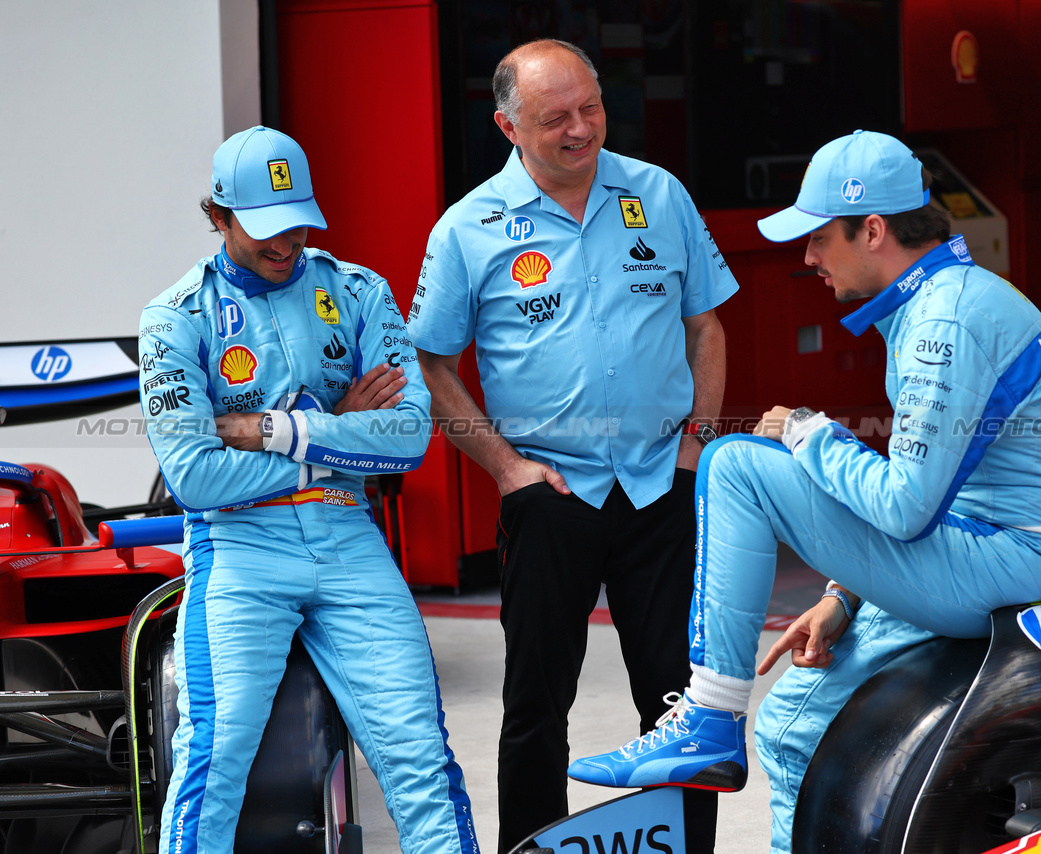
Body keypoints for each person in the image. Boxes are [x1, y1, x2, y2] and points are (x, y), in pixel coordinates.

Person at [567, 130, 1041, 854]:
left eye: (818, 238)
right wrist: (843, 596)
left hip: (1004, 564)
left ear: (872, 230)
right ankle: (728, 730)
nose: (808, 257)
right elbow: (935, 490)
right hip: (980, 548)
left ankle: (711, 716)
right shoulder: (936, 302)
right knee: (789, 730)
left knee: (734, 465)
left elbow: (907, 506)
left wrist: (812, 435)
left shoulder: (946, 319)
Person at [408, 39, 738, 853]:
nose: (581, 128)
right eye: (556, 117)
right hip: (549, 498)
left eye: (590, 107)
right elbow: (432, 368)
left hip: (663, 488)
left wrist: (696, 449)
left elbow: (707, 328)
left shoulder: (657, 195)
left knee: (679, 707)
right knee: (535, 710)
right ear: (508, 126)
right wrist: (508, 471)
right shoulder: (468, 229)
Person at [139, 126, 479, 854]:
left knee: (420, 754)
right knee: (215, 754)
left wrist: (271, 430)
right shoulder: (174, 317)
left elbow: (410, 439)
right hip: (237, 546)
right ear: (220, 217)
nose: (287, 241)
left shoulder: (357, 291)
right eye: (264, 228)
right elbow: (195, 478)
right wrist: (339, 434)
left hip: (348, 538)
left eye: (297, 220)